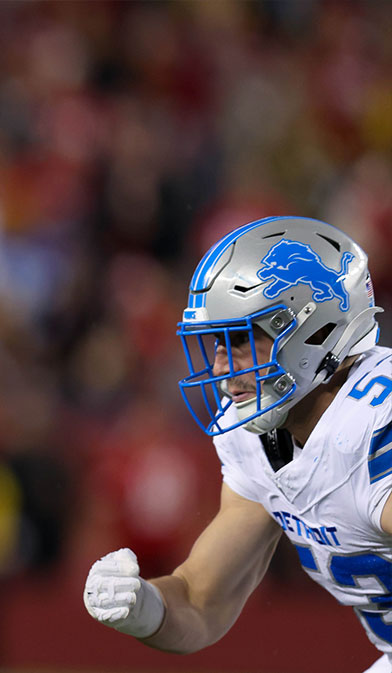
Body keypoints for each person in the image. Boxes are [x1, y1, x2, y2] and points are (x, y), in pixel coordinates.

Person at [83, 216, 390, 671]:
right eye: (215, 344)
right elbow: (202, 600)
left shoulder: (373, 426)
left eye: (242, 340)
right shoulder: (260, 437)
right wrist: (144, 608)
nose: (224, 366)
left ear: (315, 330)